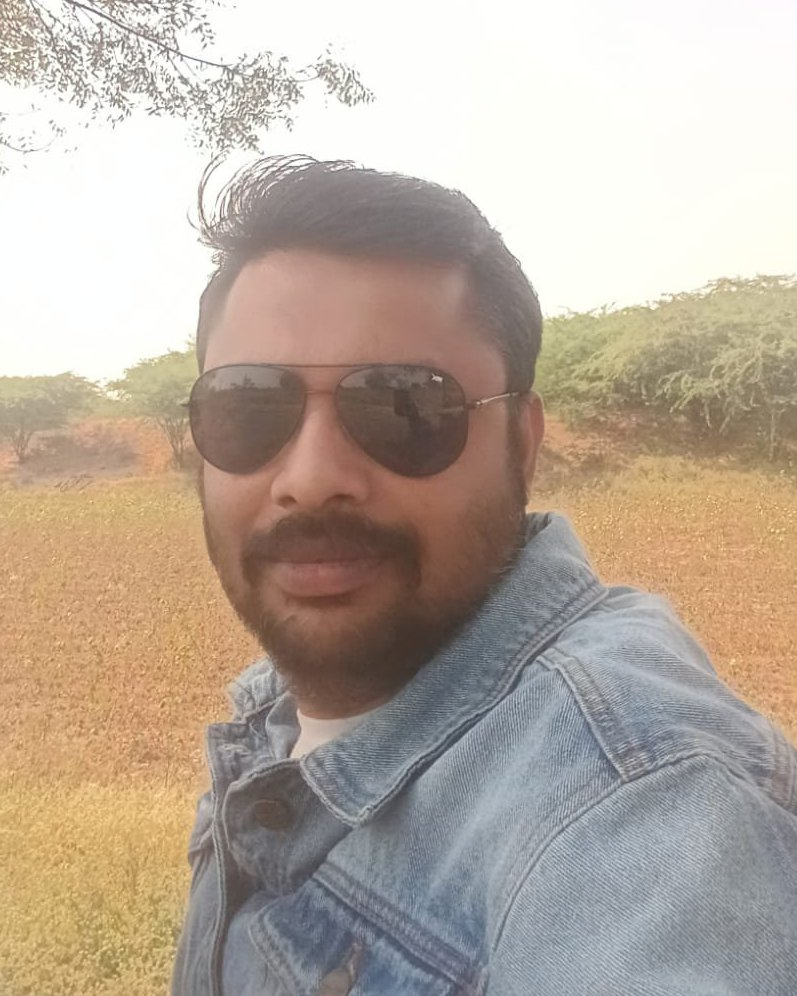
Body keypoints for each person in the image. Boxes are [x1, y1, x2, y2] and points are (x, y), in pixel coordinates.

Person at [173, 155, 797, 996]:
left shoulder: (639, 803)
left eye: (405, 407)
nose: (311, 478)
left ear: (521, 444)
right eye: (248, 406)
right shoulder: (284, 710)